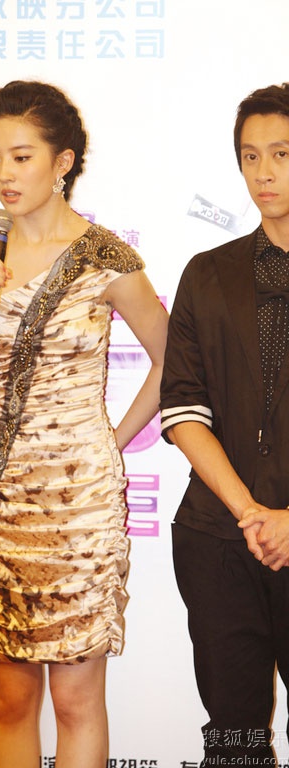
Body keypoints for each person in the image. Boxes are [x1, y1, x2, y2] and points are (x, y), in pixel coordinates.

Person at [0, 80, 168, 768]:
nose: (4, 175)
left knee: (76, 702)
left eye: (21, 157)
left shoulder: (107, 258)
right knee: (9, 701)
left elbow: (174, 362)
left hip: (79, 508)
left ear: (63, 161)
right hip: (3, 501)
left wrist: (110, 442)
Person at [160, 82, 289, 767]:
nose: (264, 172)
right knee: (235, 742)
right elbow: (182, 407)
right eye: (250, 156)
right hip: (219, 537)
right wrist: (252, 514)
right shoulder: (209, 274)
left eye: (282, 154)